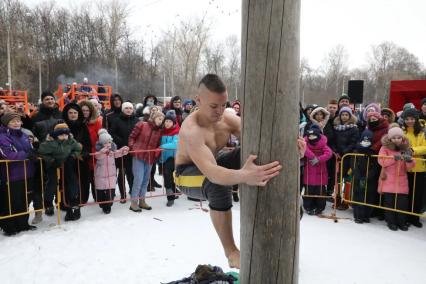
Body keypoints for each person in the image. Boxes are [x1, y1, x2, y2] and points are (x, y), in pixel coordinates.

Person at [174, 74, 305, 269]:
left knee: (255, 152)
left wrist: (291, 148)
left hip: (214, 164)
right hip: (186, 175)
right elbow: (212, 173)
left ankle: (291, 204)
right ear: (198, 100)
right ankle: (231, 252)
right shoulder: (192, 130)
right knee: (218, 185)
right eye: (213, 106)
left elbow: (261, 138)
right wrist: (246, 175)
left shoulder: (227, 118)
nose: (219, 111)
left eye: (222, 104)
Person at [0, 112, 37, 236]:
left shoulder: (24, 135)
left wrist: (34, 152)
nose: (17, 123)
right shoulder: (2, 137)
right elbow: (8, 154)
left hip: (27, 172)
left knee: (25, 200)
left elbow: (30, 149)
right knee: (12, 201)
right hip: (12, 174)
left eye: (18, 121)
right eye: (13, 121)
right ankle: (9, 226)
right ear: (6, 123)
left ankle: (23, 224)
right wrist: (26, 155)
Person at [38, 123, 82, 221]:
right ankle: (48, 202)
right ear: (55, 134)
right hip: (53, 166)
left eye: (66, 134)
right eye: (61, 134)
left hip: (67, 165)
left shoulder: (70, 141)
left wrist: (73, 156)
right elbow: (41, 152)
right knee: (52, 184)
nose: (64, 137)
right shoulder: (49, 143)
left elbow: (78, 148)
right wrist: (51, 160)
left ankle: (73, 202)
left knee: (72, 182)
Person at [378, 125, 415, 231]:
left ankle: (402, 222)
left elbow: (409, 167)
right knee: (389, 203)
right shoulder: (384, 148)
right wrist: (394, 158)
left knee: (402, 204)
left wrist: (409, 160)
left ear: (402, 138)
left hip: (401, 181)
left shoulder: (406, 149)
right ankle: (391, 222)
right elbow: (382, 161)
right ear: (390, 138)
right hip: (389, 179)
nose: (396, 140)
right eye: (394, 138)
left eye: (399, 137)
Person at [128, 111, 165, 212]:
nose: (160, 121)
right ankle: (134, 202)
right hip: (138, 155)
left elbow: (158, 143)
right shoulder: (142, 125)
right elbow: (132, 137)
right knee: (138, 179)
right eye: (159, 119)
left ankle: (142, 201)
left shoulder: (159, 131)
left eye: (162, 119)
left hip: (150, 158)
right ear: (153, 118)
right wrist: (133, 148)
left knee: (145, 180)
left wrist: (157, 152)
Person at [62, 103, 92, 204]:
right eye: (70, 113)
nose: (73, 114)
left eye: (75, 112)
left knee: (82, 181)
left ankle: (80, 201)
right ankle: (67, 203)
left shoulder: (83, 126)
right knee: (67, 183)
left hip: (81, 160)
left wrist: (84, 153)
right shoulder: (61, 126)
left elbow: (88, 143)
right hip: (66, 160)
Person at [94, 129, 129, 214]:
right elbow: (98, 156)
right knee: (100, 196)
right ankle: (102, 205)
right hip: (100, 177)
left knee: (110, 195)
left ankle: (108, 206)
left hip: (111, 177)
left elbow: (117, 153)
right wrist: (103, 152)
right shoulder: (99, 152)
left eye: (109, 142)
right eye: (105, 143)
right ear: (101, 144)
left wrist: (123, 151)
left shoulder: (112, 152)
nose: (108, 145)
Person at [401, 108, 426, 228]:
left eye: (411, 119)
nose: (409, 121)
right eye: (407, 119)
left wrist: (412, 150)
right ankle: (405, 216)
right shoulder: (402, 131)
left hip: (419, 168)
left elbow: (425, 147)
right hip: (405, 168)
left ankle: (414, 217)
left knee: (417, 194)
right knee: (406, 193)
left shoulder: (422, 132)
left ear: (416, 119)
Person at [110, 102, 138, 202]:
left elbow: (139, 134)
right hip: (121, 150)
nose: (128, 110)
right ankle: (123, 194)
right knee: (121, 173)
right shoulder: (116, 120)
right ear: (123, 109)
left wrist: (133, 144)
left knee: (131, 173)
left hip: (132, 151)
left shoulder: (136, 120)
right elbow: (112, 133)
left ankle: (132, 191)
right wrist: (122, 142)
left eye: (130, 108)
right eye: (126, 108)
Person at [302, 125, 332, 215]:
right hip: (309, 172)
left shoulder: (323, 144)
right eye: (310, 136)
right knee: (309, 190)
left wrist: (319, 159)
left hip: (321, 173)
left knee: (320, 191)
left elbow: (329, 153)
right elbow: (305, 149)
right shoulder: (305, 143)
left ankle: (320, 207)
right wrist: (313, 157)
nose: (311, 137)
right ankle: (308, 207)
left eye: (313, 136)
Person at [351, 129, 377, 224]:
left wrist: (368, 176)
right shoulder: (356, 151)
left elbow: (375, 167)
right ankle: (358, 216)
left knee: (368, 197)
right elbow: (353, 164)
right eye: (364, 140)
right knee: (358, 197)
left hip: (369, 180)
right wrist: (358, 175)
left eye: (368, 140)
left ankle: (366, 215)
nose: (366, 142)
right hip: (358, 179)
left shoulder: (373, 153)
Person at [159, 110, 180, 207]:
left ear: (173, 123)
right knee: (167, 176)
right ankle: (174, 190)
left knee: (167, 174)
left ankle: (170, 197)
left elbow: (175, 144)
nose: (167, 123)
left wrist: (162, 146)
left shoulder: (176, 132)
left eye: (170, 122)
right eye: (166, 121)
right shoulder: (162, 132)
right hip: (163, 157)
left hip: (173, 157)